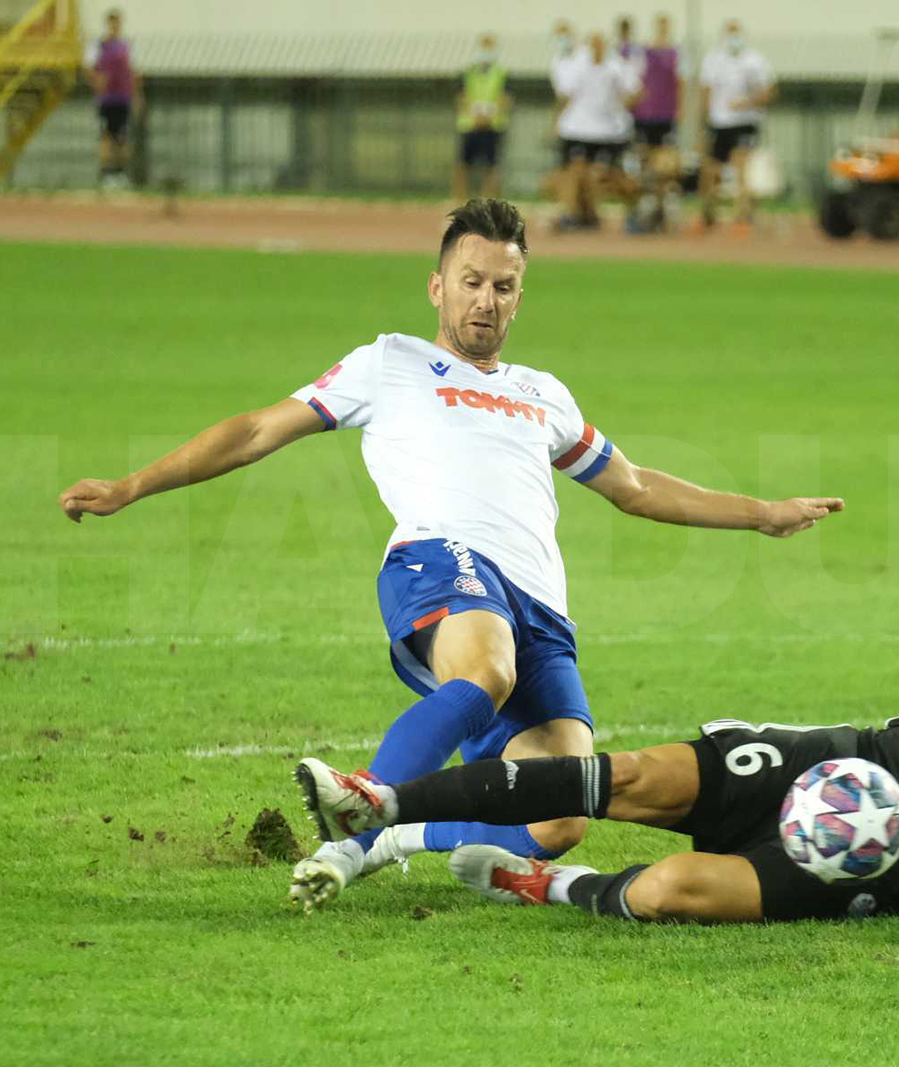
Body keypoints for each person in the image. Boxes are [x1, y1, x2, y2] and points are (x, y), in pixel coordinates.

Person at [293, 299, 899, 953]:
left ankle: (540, 881)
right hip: (863, 762)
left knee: (668, 892)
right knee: (635, 777)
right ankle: (386, 808)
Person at [59, 200, 842, 907]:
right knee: (485, 669)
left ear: (519, 296)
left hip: (540, 604)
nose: (485, 301)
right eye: (471, 281)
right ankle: (364, 811)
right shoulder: (388, 363)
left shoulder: (544, 393)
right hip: (442, 560)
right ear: (437, 286)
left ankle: (396, 835)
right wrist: (134, 484)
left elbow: (634, 486)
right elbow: (258, 429)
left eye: (503, 287)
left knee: (564, 810)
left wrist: (761, 513)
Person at [552, 33, 641, 230]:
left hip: (608, 131)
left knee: (609, 175)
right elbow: (564, 92)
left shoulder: (616, 66)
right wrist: (556, 121)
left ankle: (618, 213)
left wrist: (620, 107)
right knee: (574, 172)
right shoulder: (577, 64)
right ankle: (570, 213)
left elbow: (635, 90)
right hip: (577, 129)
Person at [697, 19, 775, 232]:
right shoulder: (713, 60)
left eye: (736, 33)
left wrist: (748, 103)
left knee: (741, 168)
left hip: (744, 122)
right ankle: (707, 215)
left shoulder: (755, 61)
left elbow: (769, 91)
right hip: (719, 123)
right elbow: (705, 91)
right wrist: (703, 122)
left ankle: (742, 216)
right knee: (711, 170)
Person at [624, 13, 684, 233]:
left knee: (664, 166)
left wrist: (679, 108)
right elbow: (633, 81)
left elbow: (680, 81)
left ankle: (660, 209)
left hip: (664, 116)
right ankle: (644, 210)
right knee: (643, 164)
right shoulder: (643, 53)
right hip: (644, 117)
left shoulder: (676, 53)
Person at [84, 7, 142, 189]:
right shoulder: (99, 44)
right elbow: (87, 66)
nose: (114, 25)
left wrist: (137, 95)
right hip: (106, 99)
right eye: (111, 21)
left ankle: (121, 173)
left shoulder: (126, 45)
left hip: (123, 97)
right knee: (106, 136)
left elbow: (134, 72)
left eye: (117, 21)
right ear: (107, 23)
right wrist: (96, 81)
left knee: (122, 137)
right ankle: (106, 174)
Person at [453, 34, 511, 202]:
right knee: (462, 165)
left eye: (490, 47)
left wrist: (489, 117)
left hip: (492, 126)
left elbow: (505, 99)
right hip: (470, 125)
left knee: (491, 166)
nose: (486, 51)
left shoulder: (501, 73)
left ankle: (489, 203)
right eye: (484, 47)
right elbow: (461, 98)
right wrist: (474, 116)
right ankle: (460, 202)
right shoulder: (468, 72)